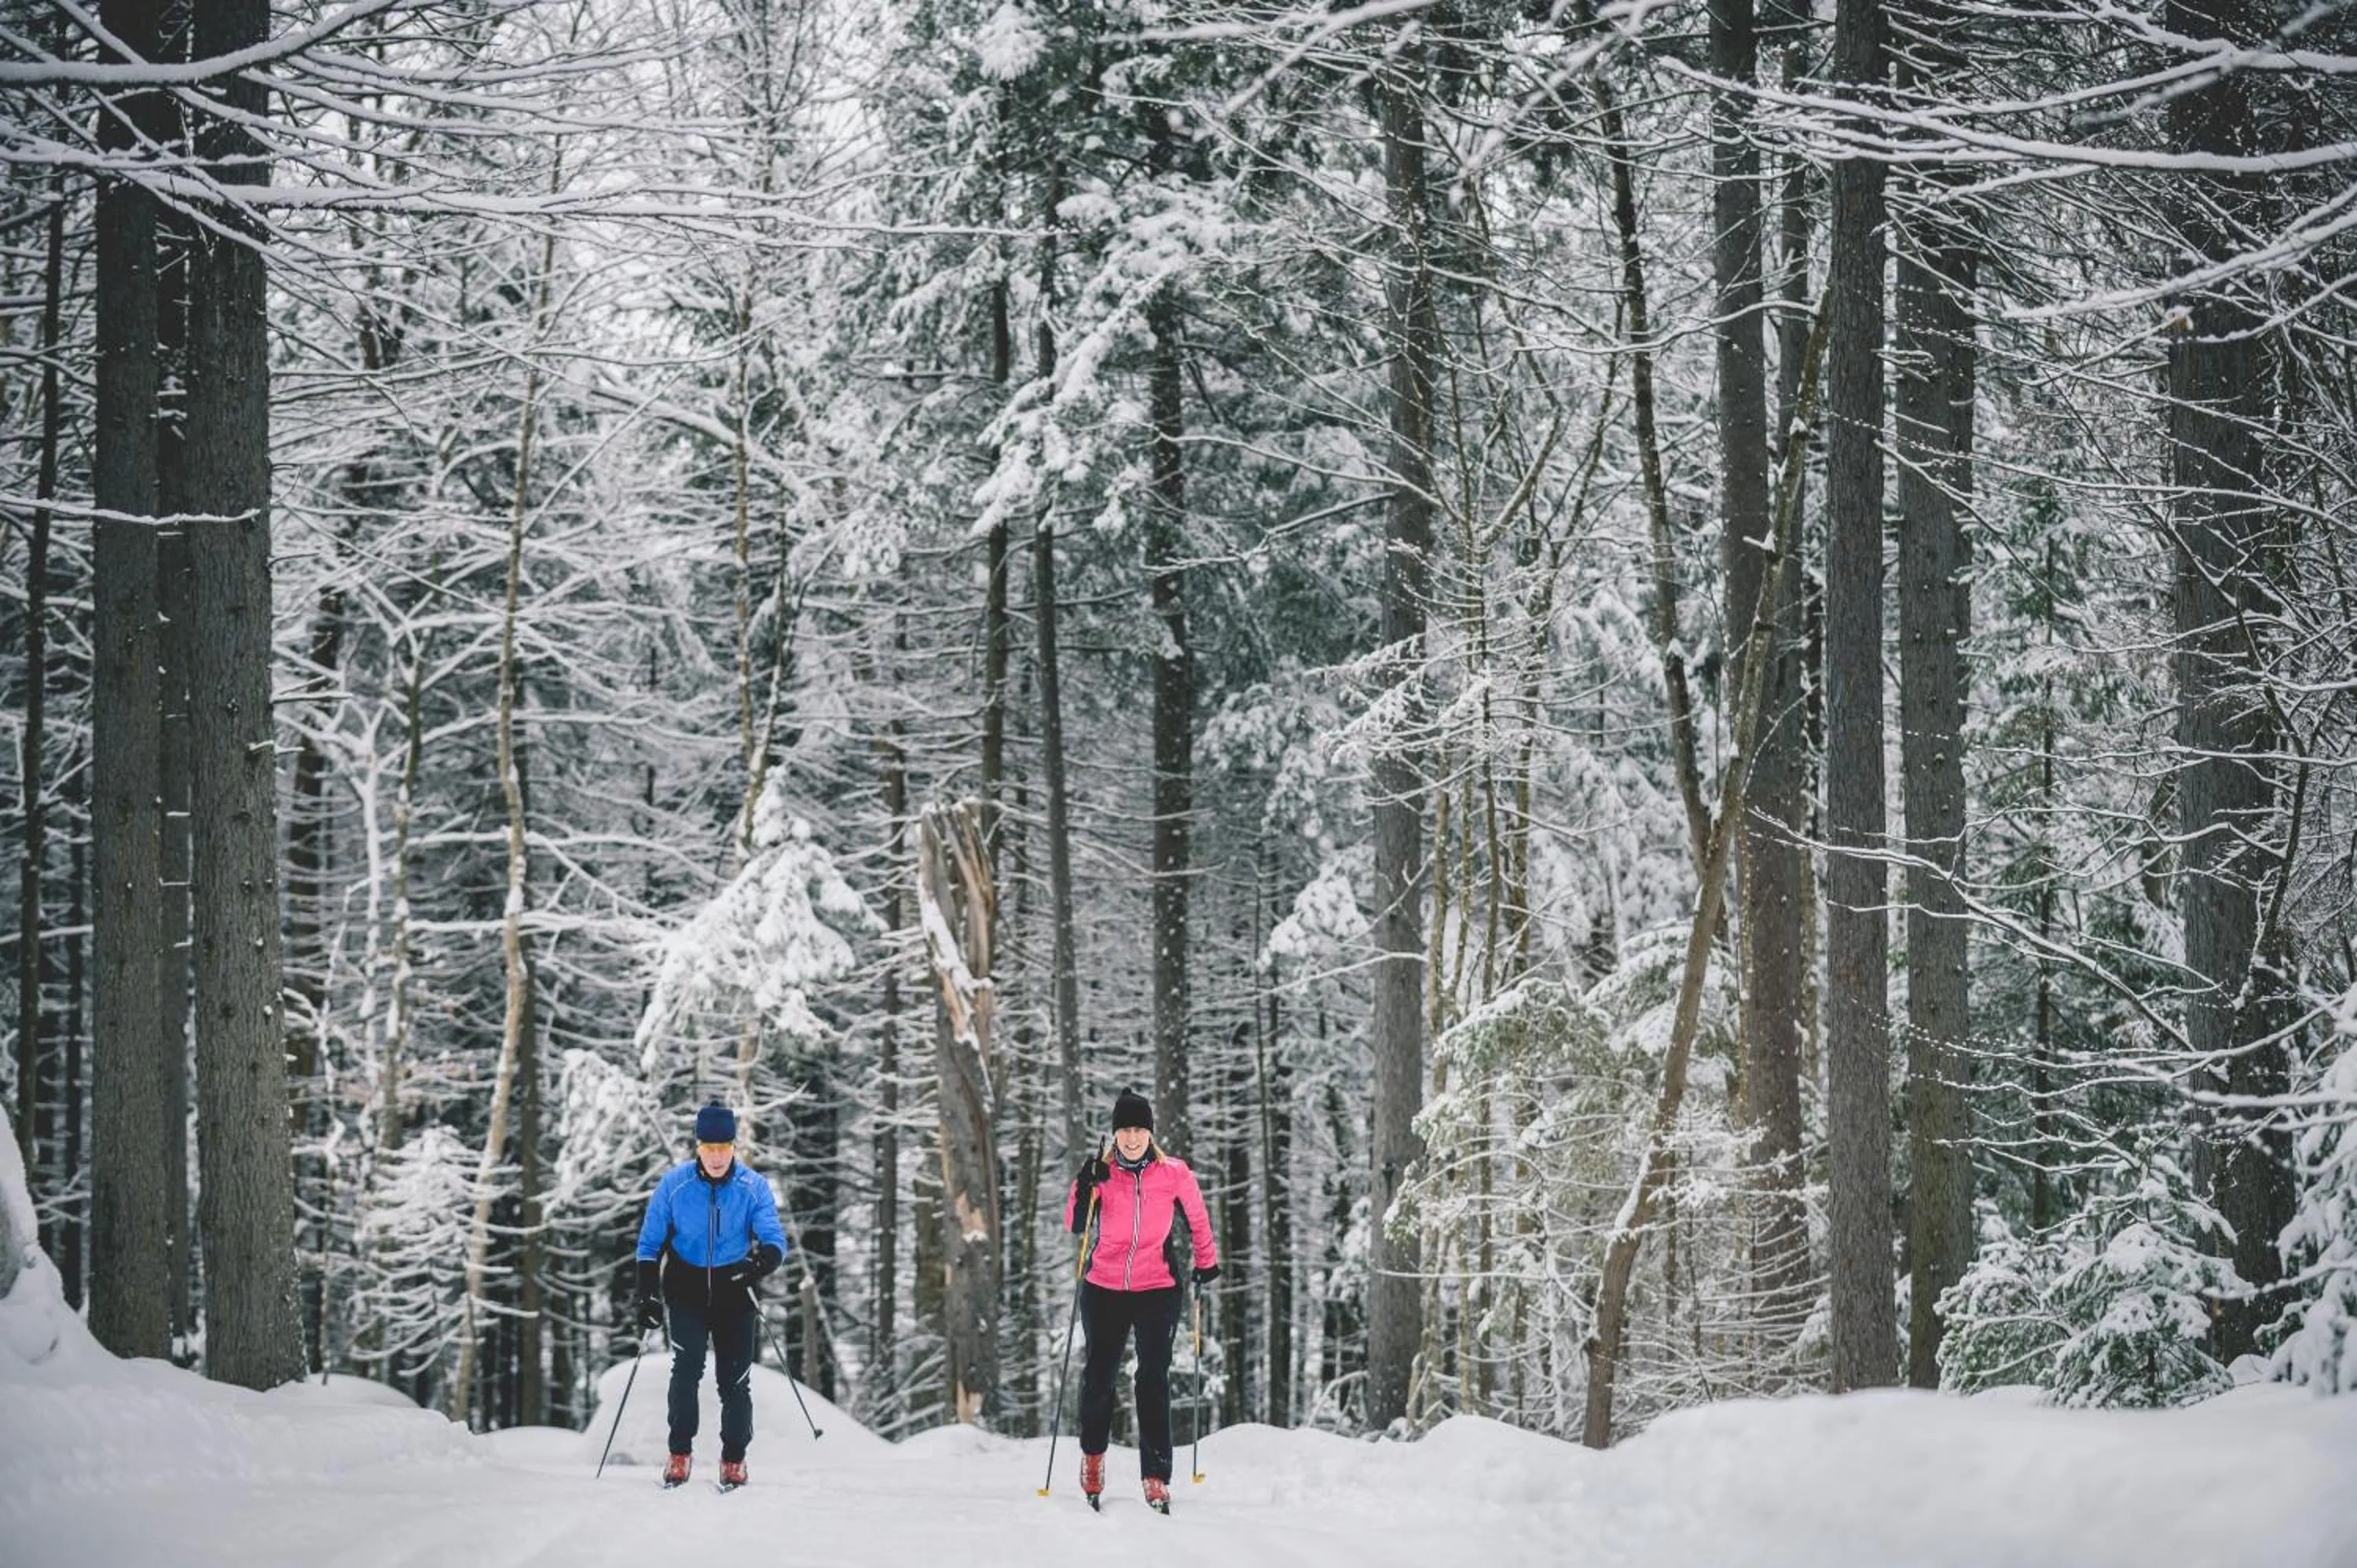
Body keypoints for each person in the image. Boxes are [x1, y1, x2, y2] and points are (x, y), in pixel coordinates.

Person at [1062, 1086, 1220, 1513]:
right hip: (1104, 1286)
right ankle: (1093, 1457)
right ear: (1114, 1135)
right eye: (1124, 1130)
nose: (1131, 1137)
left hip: (1156, 1286)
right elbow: (1076, 1225)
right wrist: (1085, 1182)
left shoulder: (1174, 1174)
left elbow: (1198, 1220)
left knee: (1152, 1378)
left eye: (1139, 1129)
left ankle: (1156, 1476)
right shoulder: (1102, 1172)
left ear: (1150, 1133)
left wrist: (1207, 1263)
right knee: (1099, 1375)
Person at [632, 1101, 787, 1489]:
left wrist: (760, 1264)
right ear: (698, 1146)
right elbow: (649, 1245)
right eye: (709, 1147)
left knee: (734, 1380)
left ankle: (734, 1459)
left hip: (734, 1290)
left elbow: (774, 1239)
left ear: (734, 1147)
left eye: (724, 1147)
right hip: (686, 1289)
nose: (717, 1156)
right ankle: (679, 1454)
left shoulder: (753, 1187)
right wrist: (646, 1295)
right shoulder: (674, 1185)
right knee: (687, 1370)